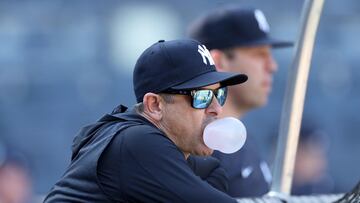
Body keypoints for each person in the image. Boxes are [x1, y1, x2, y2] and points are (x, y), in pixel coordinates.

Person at [43, 39, 248, 202]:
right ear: (155, 105)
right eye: (201, 97)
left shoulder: (146, 146)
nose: (217, 109)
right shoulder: (137, 142)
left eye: (219, 94)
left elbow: (212, 170)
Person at [188, 7, 292, 197]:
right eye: (259, 54)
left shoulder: (236, 140)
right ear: (219, 61)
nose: (272, 66)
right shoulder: (199, 151)